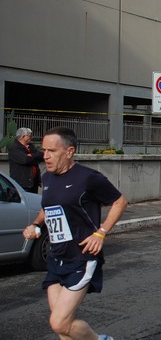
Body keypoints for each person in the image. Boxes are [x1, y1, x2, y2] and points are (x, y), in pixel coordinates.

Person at [22, 127, 128, 340]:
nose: (46, 156)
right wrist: (35, 225)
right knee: (63, 327)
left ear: (69, 151)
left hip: (81, 257)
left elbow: (120, 201)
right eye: (44, 150)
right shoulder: (48, 177)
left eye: (52, 150)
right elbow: (49, 207)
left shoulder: (88, 178)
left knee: (59, 322)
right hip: (56, 257)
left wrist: (101, 232)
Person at [8, 127, 44, 193]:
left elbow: (42, 155)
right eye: (30, 135)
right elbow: (25, 160)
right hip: (22, 184)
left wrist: (32, 155)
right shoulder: (14, 148)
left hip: (33, 183)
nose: (31, 137)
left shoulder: (31, 146)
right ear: (23, 136)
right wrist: (36, 159)